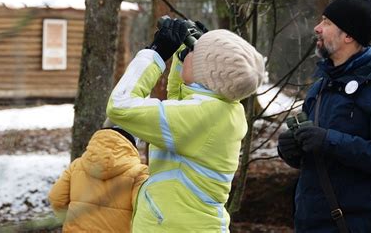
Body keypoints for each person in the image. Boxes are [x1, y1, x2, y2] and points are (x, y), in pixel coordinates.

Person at [106, 18, 265, 232]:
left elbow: (120, 105)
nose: (189, 54)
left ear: (205, 72)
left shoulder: (200, 116)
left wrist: (156, 53)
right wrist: (184, 52)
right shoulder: (225, 109)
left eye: (193, 54)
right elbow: (181, 103)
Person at [277, 0, 371, 232]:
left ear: (348, 35)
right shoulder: (321, 84)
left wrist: (329, 141)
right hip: (307, 222)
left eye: (327, 22)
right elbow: (314, 153)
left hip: (350, 226)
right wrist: (291, 149)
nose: (317, 28)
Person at [48, 121, 149, 233]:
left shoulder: (77, 165)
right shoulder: (139, 173)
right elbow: (145, 212)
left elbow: (56, 198)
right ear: (133, 143)